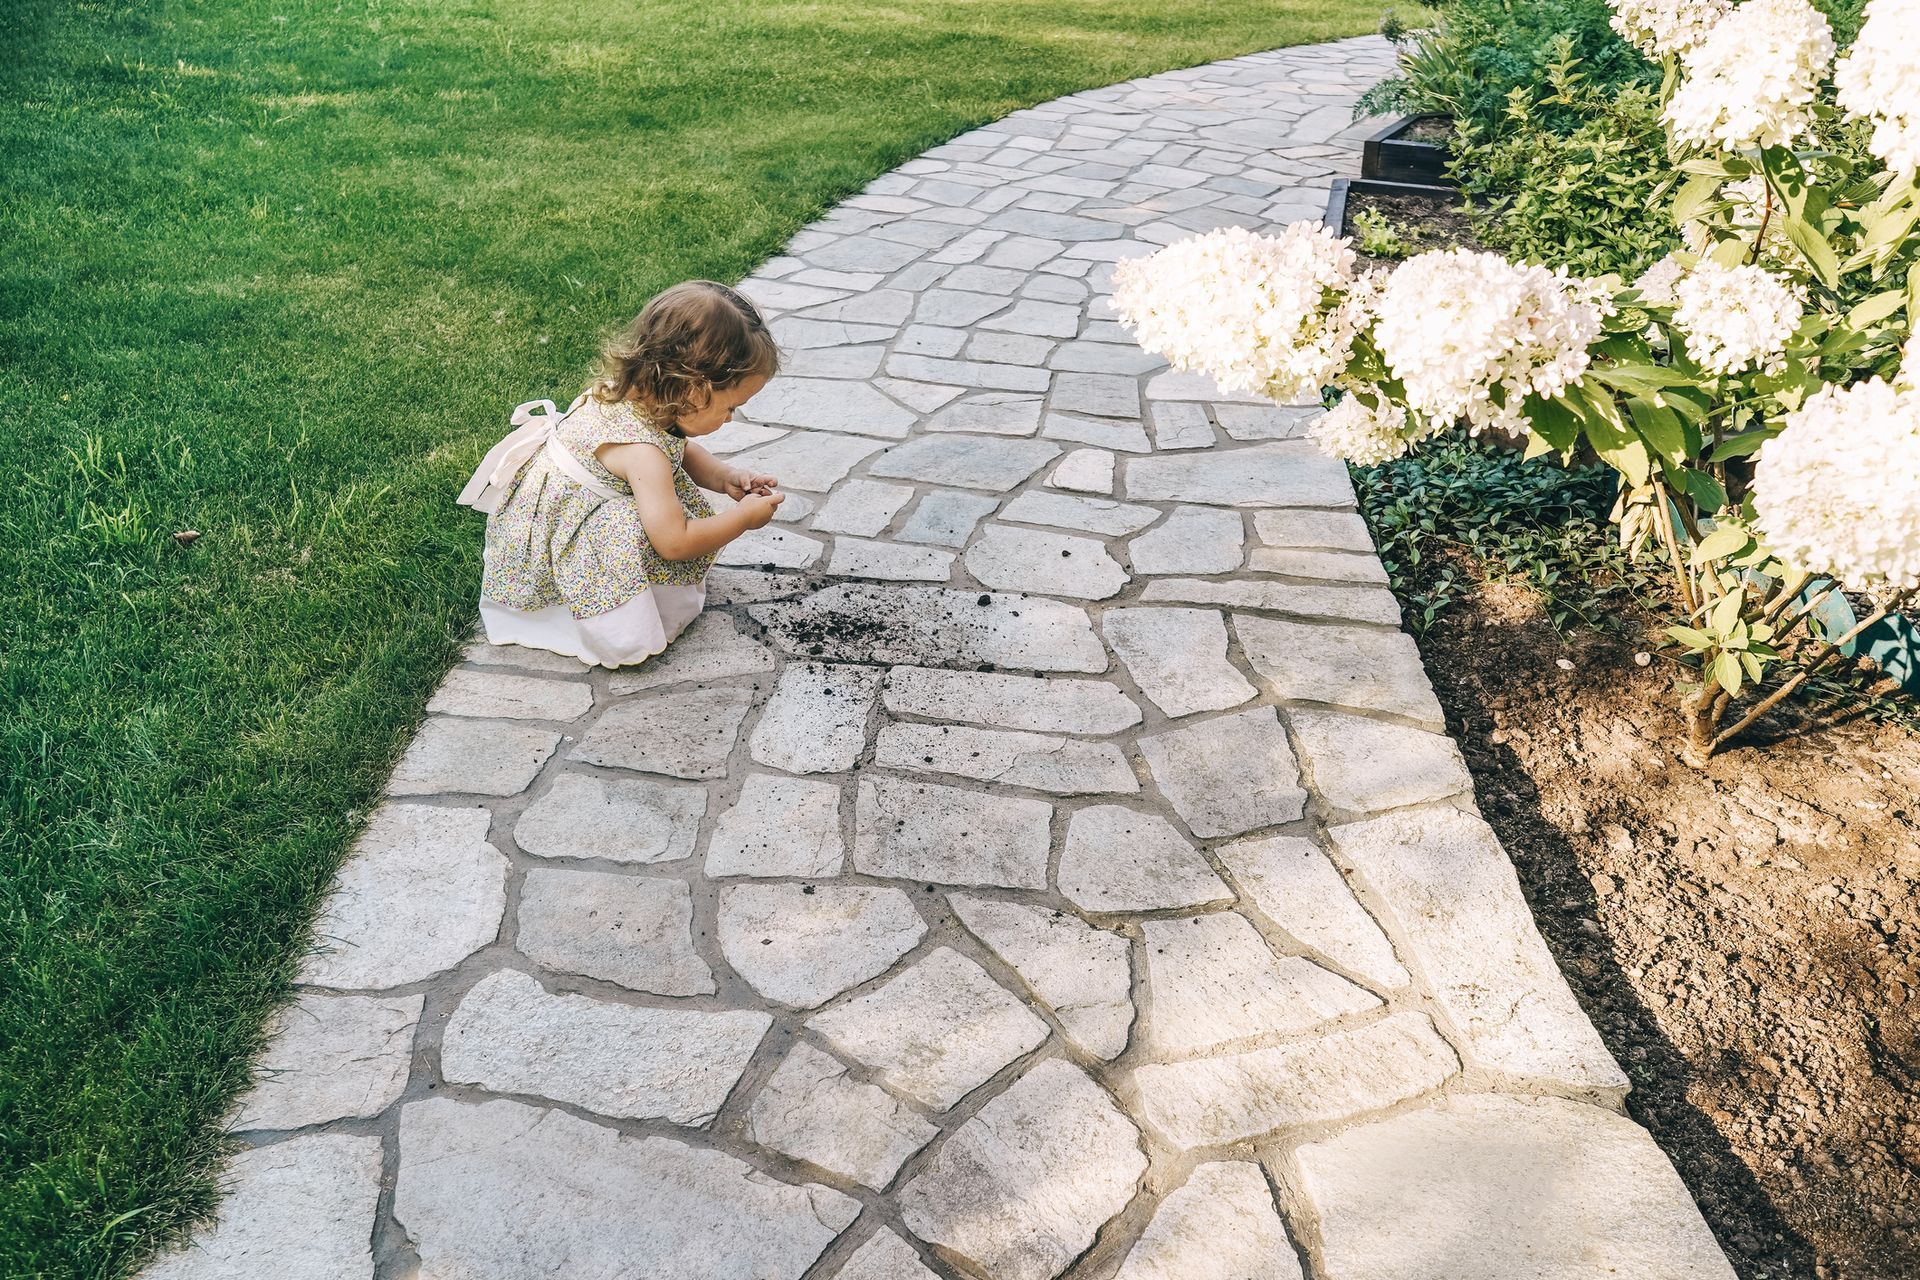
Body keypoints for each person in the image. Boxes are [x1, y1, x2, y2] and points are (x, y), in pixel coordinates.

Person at [458, 280, 783, 667]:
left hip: (549, 519)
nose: (731, 418)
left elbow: (679, 449)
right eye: (731, 407)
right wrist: (742, 519)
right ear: (694, 390)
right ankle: (609, 625)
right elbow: (675, 543)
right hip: (560, 544)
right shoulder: (641, 453)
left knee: (651, 506)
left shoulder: (628, 396)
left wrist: (725, 476)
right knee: (634, 523)